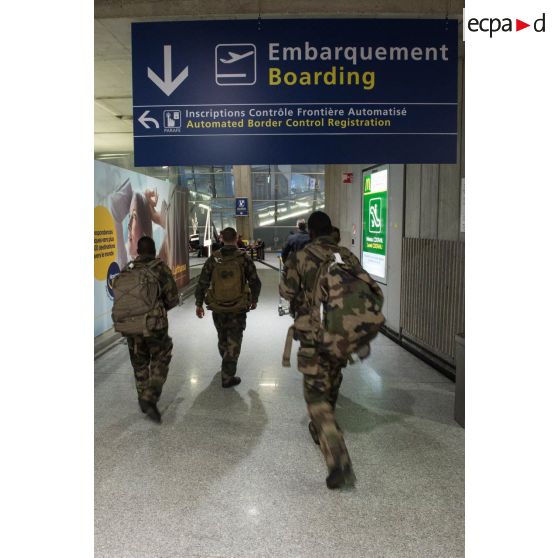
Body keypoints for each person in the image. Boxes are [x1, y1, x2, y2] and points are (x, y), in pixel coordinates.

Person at [279, 211, 358, 489]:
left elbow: (286, 291)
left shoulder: (300, 257)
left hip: (313, 336)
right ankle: (320, 427)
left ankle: (338, 461)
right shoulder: (346, 256)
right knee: (333, 380)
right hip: (342, 334)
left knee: (315, 398)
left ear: (310, 232)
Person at [112, 236, 179, 423]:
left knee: (139, 361)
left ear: (138, 251)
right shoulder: (160, 268)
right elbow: (172, 299)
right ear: (154, 249)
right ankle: (150, 397)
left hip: (131, 325)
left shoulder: (128, 269)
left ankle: (142, 396)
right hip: (154, 325)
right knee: (161, 356)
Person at [195, 227, 261, 388]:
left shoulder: (214, 258)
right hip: (237, 307)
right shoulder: (243, 258)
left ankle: (226, 362)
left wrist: (199, 304)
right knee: (234, 340)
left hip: (217, 306)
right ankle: (227, 376)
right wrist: (254, 300)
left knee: (222, 337)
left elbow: (202, 282)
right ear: (237, 238)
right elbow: (255, 281)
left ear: (222, 238)